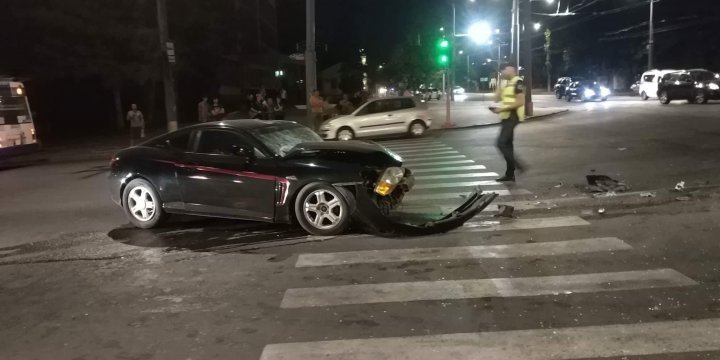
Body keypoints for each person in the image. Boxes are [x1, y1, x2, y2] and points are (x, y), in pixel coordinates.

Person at [490, 63, 527, 182]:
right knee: (508, 145)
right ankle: (510, 174)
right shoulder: (507, 83)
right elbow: (496, 98)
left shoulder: (518, 82)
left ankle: (519, 165)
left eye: (504, 70)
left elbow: (520, 101)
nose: (502, 72)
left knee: (501, 143)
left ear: (511, 69)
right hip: (506, 116)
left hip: (513, 115)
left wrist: (502, 109)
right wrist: (499, 82)